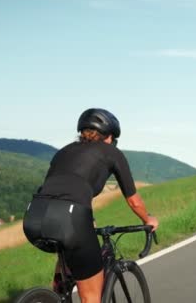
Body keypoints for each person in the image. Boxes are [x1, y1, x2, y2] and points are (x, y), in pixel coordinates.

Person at [23, 108, 159, 303]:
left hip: (34, 216)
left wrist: (89, 219)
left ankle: (57, 291)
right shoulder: (111, 152)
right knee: (91, 297)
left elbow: (60, 189)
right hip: (70, 219)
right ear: (110, 136)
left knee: (67, 247)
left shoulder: (64, 151)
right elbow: (133, 200)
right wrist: (148, 219)